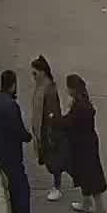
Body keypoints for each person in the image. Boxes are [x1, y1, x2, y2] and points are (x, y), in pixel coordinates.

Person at [0, 68, 45, 213]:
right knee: (22, 187)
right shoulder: (11, 105)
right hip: (9, 153)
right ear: (13, 85)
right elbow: (18, 130)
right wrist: (29, 137)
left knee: (14, 185)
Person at [62, 74, 107, 213]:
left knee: (91, 176)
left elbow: (71, 123)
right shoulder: (82, 102)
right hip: (85, 143)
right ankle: (86, 203)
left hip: (85, 145)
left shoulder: (80, 106)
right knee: (84, 173)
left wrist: (58, 118)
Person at [31, 56, 69, 202]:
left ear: (43, 72)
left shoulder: (49, 90)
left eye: (35, 73)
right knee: (51, 160)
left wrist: (49, 134)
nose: (33, 77)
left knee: (54, 161)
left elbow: (53, 114)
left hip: (49, 132)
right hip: (43, 132)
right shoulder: (41, 86)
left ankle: (57, 187)